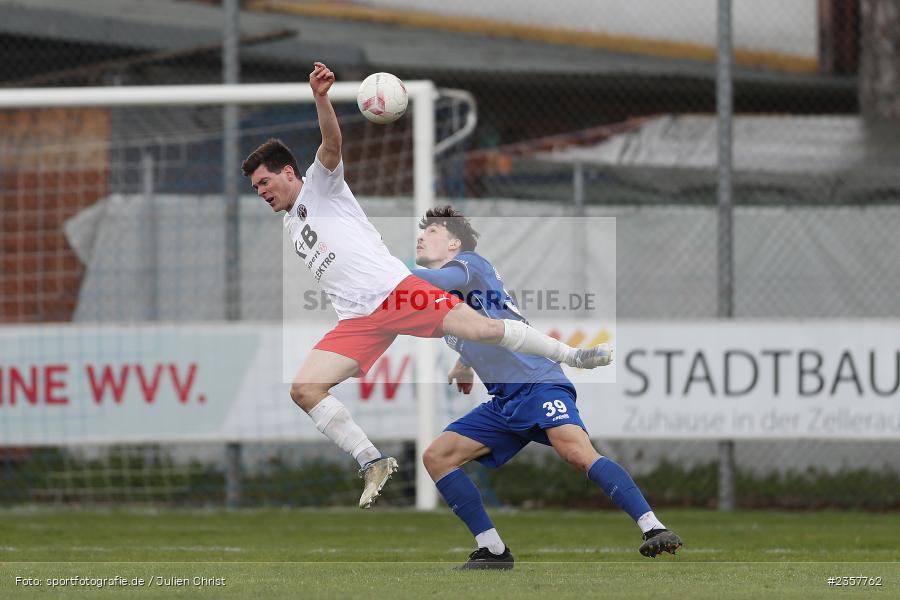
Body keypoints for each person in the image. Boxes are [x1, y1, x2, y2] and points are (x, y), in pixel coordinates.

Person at [240, 62, 613, 510]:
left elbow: (332, 144)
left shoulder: (321, 187)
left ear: (288, 173)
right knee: (304, 389)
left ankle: (573, 355)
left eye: (265, 181)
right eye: (255, 186)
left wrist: (321, 98)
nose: (261, 191)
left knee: (485, 330)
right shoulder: (290, 225)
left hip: (394, 292)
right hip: (358, 320)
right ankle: (371, 460)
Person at [412, 205, 681, 570]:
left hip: (537, 383)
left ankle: (653, 527)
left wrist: (383, 269)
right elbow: (486, 326)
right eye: (422, 231)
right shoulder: (445, 297)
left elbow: (447, 291)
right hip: (505, 400)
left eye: (432, 231)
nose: (422, 235)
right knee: (437, 457)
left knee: (578, 454)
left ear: (455, 243)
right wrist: (464, 364)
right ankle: (493, 550)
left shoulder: (469, 264)